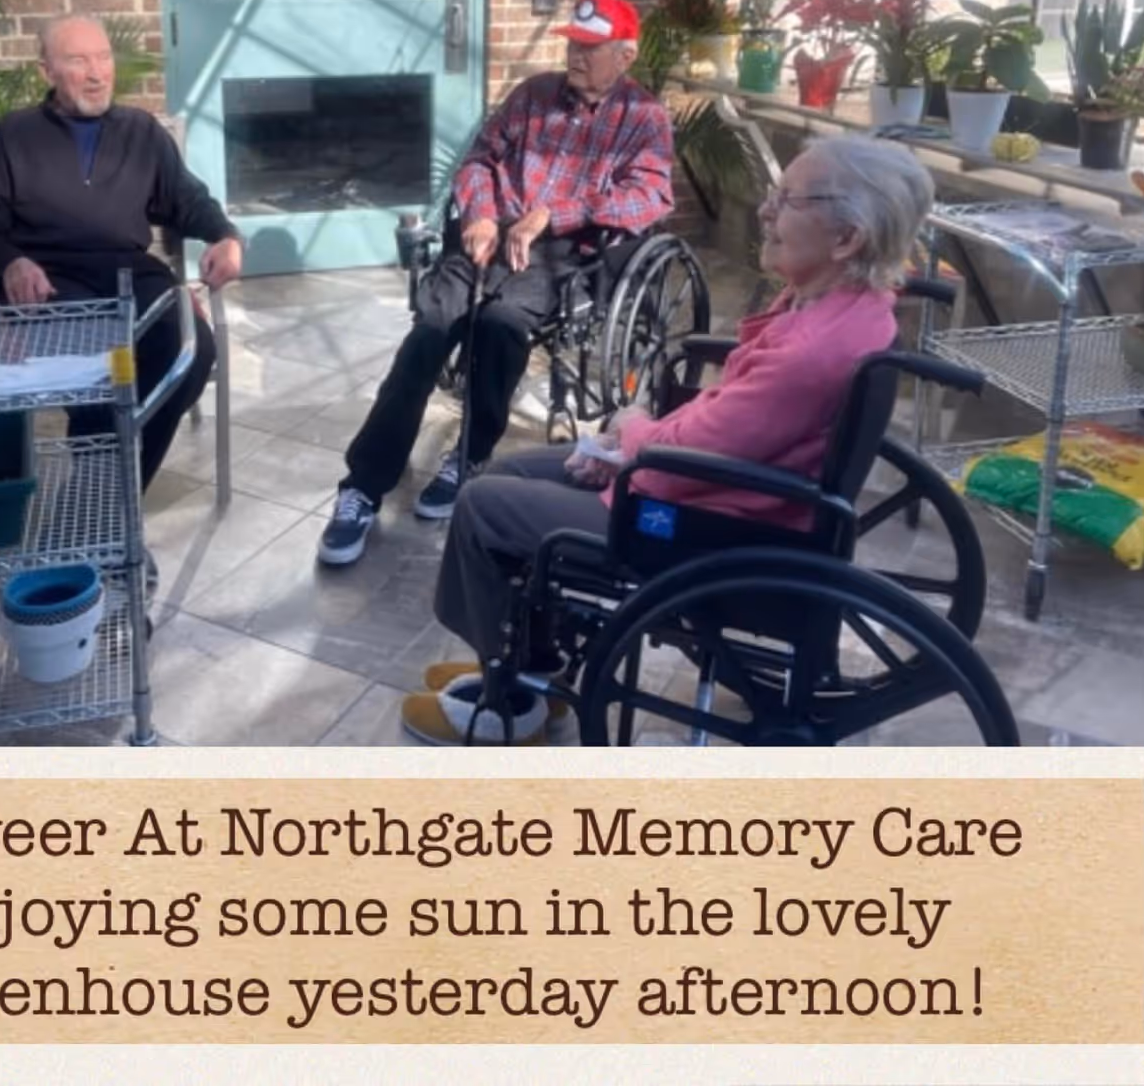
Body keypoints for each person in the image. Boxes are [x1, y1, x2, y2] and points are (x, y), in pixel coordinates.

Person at [398, 135, 936, 745]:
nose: (765, 211)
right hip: (726, 496)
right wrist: (628, 446)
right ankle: (531, 661)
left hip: (706, 525)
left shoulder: (811, 351)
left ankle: (512, 700)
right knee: (514, 474)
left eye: (788, 200)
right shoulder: (846, 306)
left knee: (482, 506)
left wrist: (630, 436)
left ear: (847, 239)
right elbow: (724, 429)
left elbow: (685, 462)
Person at [316, 0, 675, 567]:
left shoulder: (644, 117)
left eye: (591, 47)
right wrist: (481, 214)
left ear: (625, 55)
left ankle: (470, 454)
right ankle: (361, 486)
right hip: (490, 235)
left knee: (502, 324)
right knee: (429, 332)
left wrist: (556, 214)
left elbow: (649, 196)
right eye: (573, 44)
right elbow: (480, 159)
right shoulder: (534, 95)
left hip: (562, 253)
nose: (576, 56)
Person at [0, 14, 243, 490]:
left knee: (191, 351)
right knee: (95, 370)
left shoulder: (141, 131)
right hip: (49, 283)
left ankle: (110, 494)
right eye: (78, 61)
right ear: (47, 71)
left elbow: (187, 200)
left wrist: (225, 235)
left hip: (129, 273)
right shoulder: (16, 134)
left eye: (103, 58)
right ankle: (107, 499)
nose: (96, 73)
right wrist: (11, 262)